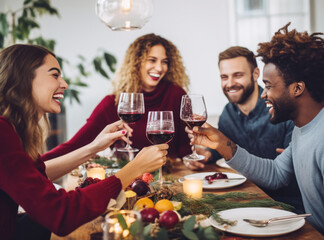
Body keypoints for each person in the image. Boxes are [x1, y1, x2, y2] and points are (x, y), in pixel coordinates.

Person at [187, 23, 324, 239]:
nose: (263, 94)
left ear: (297, 88)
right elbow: (275, 174)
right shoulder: (303, 128)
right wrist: (222, 143)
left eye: (268, 86)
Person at [0, 44, 169, 239]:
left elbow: (37, 174)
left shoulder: (10, 129)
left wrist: (94, 147)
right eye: (55, 75)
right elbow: (59, 213)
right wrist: (134, 169)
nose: (64, 84)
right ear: (23, 78)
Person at [186, 46, 303, 212]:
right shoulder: (227, 113)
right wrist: (208, 154)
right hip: (242, 197)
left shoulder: (282, 110)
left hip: (285, 205)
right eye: (224, 77)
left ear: (256, 74)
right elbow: (226, 148)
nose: (230, 83)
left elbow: (290, 168)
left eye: (238, 75)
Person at [42, 33, 192, 162]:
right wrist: (29, 164)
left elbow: (185, 149)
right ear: (136, 62)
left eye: (164, 62)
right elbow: (75, 145)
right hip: (129, 181)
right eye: (152, 60)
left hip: (169, 179)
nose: (159, 68)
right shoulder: (114, 103)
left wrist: (195, 159)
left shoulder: (177, 94)